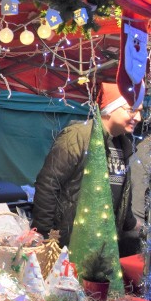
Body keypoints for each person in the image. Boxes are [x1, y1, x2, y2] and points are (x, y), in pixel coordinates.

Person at [31, 82, 142, 256]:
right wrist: (44, 236)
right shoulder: (77, 137)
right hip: (69, 243)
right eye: (131, 110)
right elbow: (48, 184)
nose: (138, 117)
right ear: (110, 109)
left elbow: (121, 194)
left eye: (140, 111)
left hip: (104, 247)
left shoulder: (124, 146)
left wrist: (130, 223)